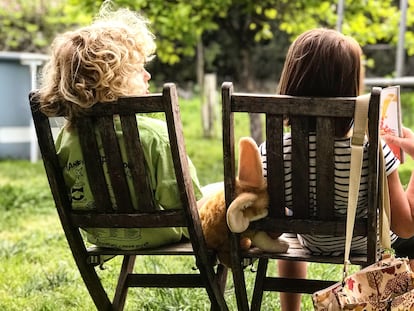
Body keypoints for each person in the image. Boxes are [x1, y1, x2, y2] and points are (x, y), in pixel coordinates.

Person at [259, 28, 414, 311]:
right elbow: (404, 227)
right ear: (351, 89)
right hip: (361, 243)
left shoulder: (272, 149)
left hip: (309, 239)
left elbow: (270, 219)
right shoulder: (373, 149)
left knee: (289, 228)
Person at [37, 4, 203, 250]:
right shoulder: (155, 136)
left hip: (100, 235)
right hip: (158, 232)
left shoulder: (66, 138)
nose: (147, 75)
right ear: (111, 81)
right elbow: (185, 203)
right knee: (216, 195)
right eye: (138, 69)